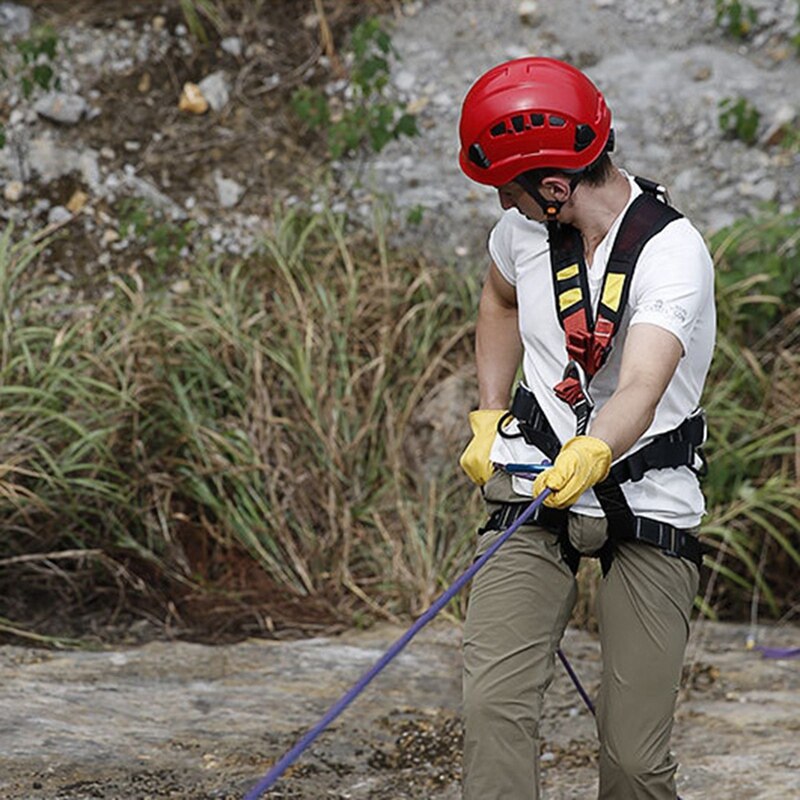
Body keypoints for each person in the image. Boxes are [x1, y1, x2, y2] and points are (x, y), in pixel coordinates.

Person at [456, 57, 716, 800]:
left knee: (633, 762)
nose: (502, 202)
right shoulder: (521, 234)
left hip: (645, 489)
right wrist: (487, 411)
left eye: (509, 185)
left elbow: (641, 382)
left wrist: (598, 449)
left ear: (556, 184)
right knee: (490, 708)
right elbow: (499, 304)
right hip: (537, 481)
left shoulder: (672, 255)